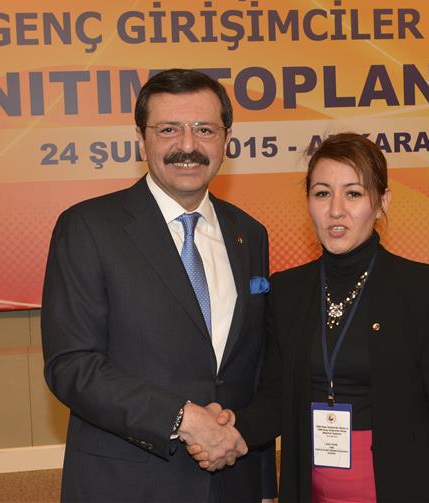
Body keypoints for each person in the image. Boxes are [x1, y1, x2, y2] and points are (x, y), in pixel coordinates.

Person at [191, 133, 429, 502]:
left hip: (398, 486)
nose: (336, 210)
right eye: (322, 193)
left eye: (353, 193)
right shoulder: (288, 291)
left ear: (382, 202)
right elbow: (278, 394)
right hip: (313, 489)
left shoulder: (420, 289)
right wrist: (234, 427)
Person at [41, 69, 276, 503]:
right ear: (141, 139)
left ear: (226, 139)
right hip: (129, 483)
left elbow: (254, 368)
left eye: (204, 129)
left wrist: (262, 484)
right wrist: (181, 418)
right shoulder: (88, 228)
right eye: (168, 129)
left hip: (231, 478)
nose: (187, 145)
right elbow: (72, 365)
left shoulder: (249, 233)